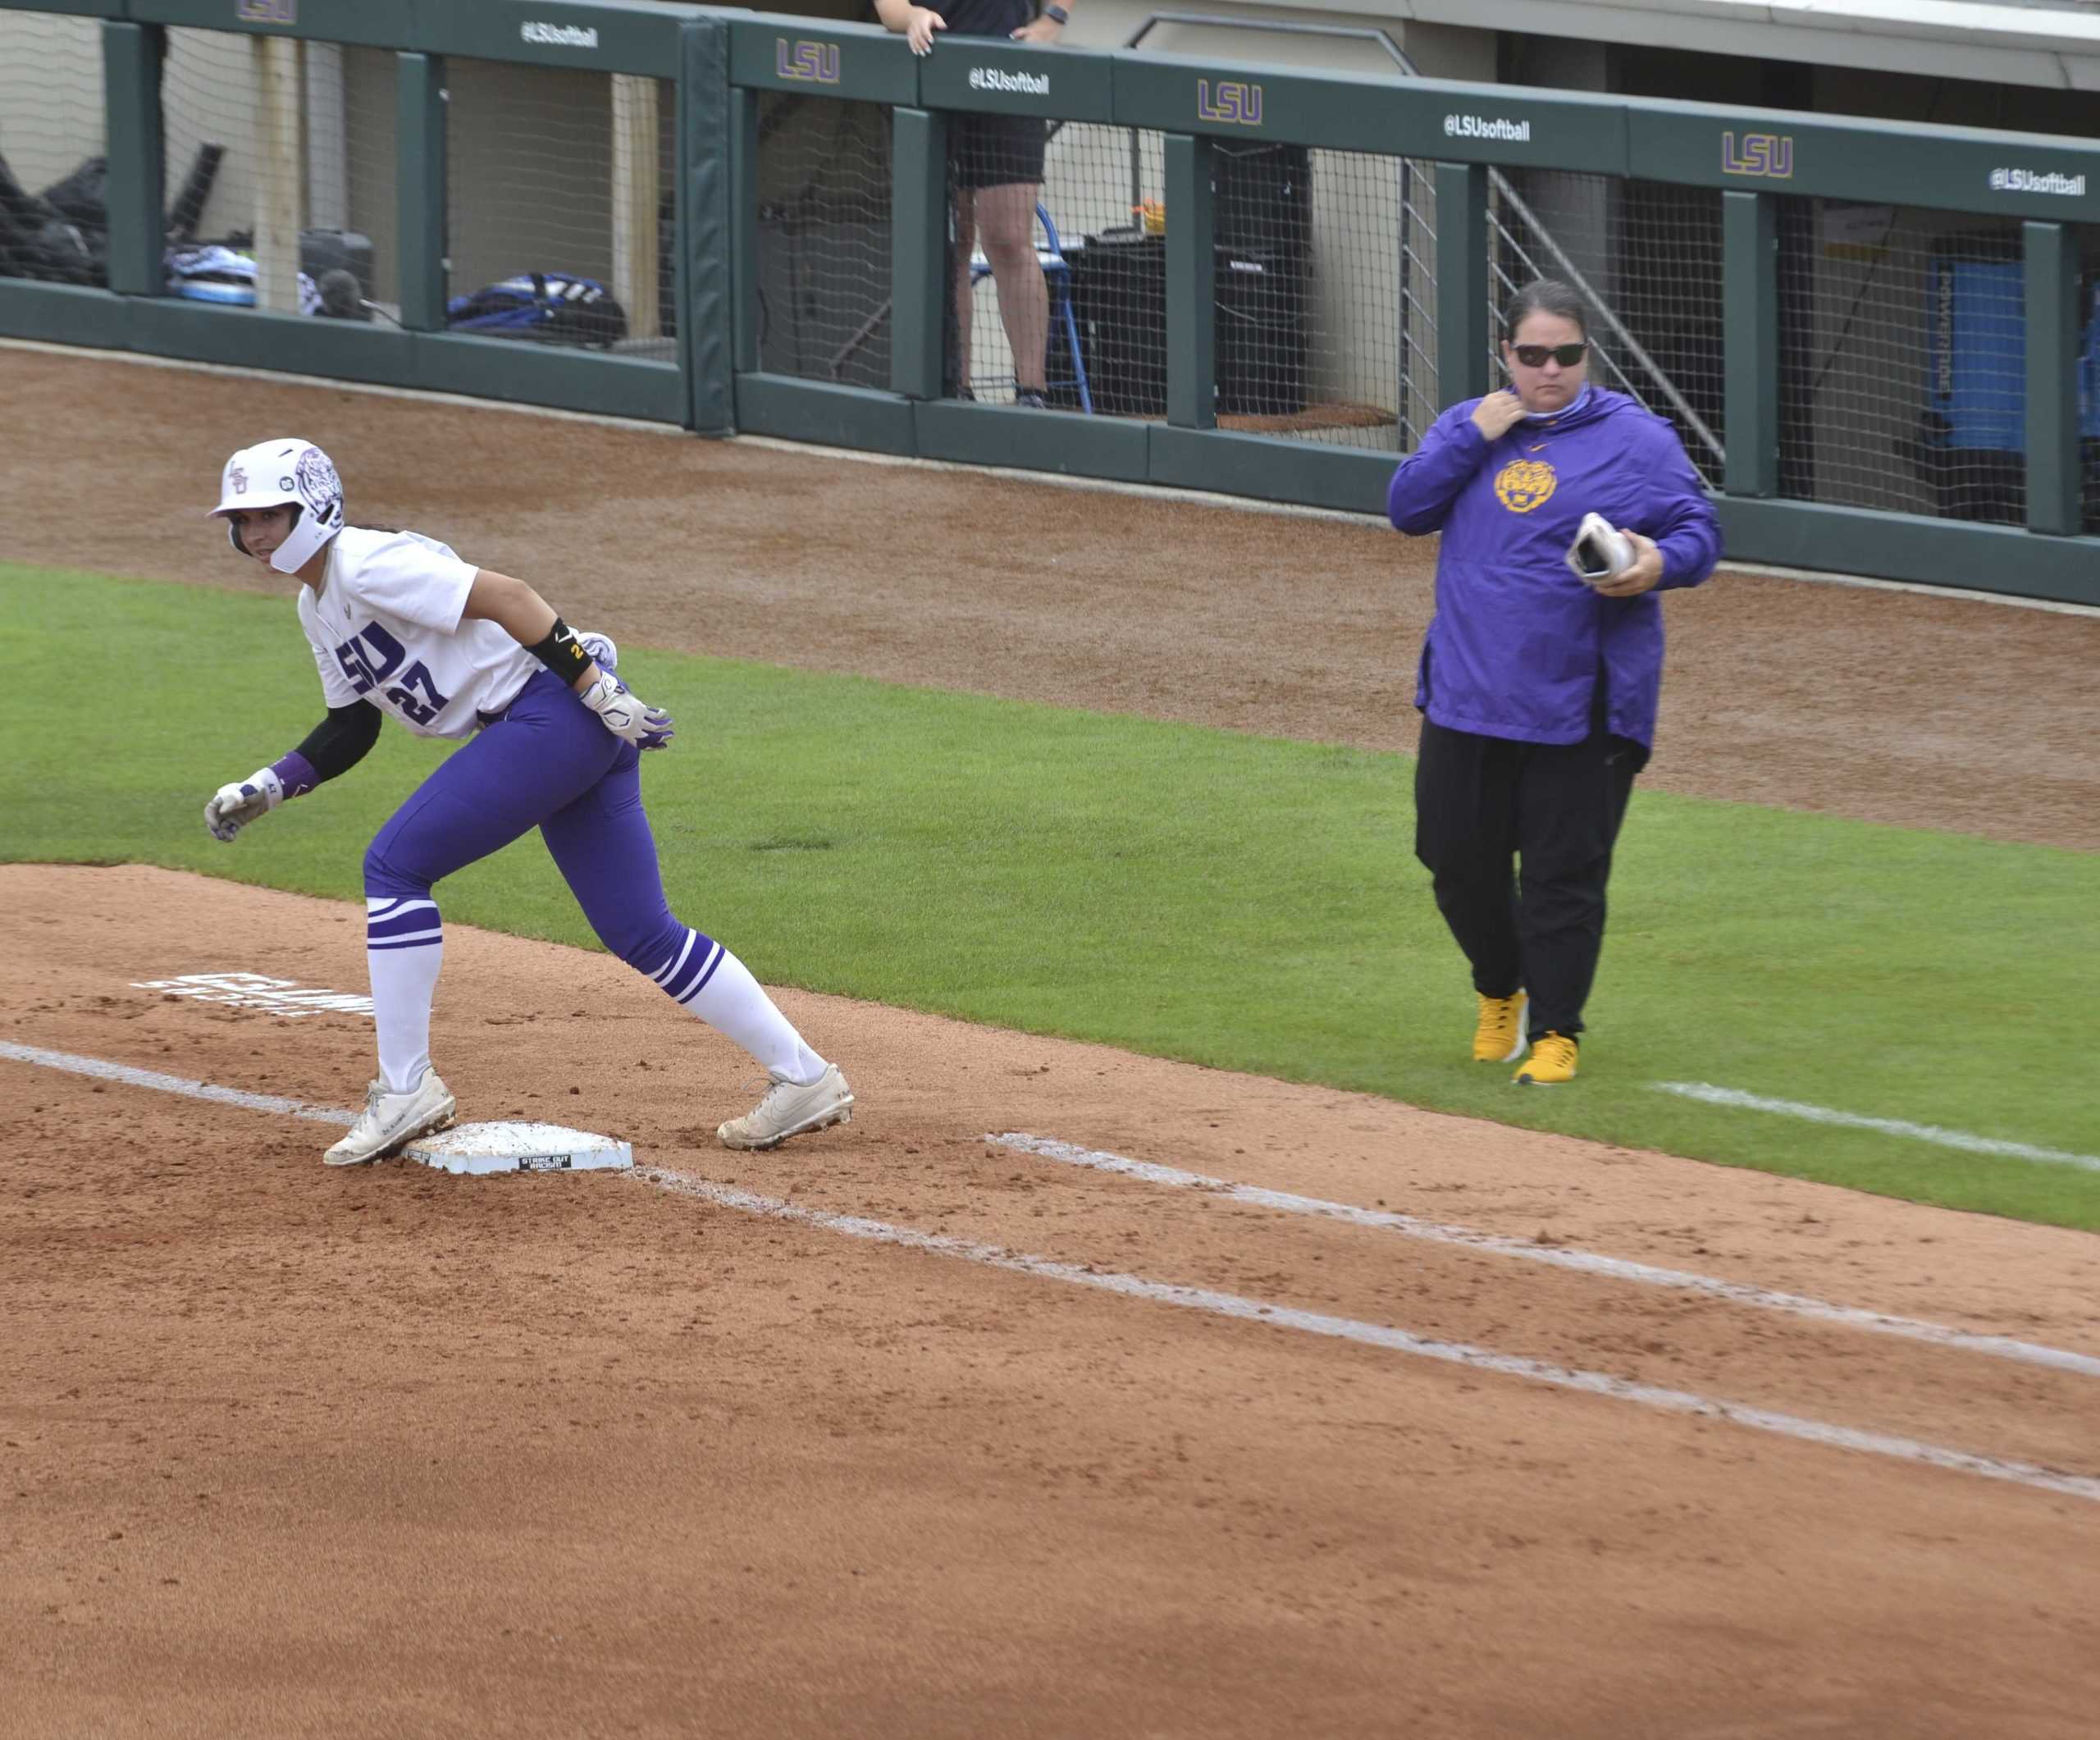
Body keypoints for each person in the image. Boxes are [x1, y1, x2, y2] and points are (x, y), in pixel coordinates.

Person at [202, 439, 854, 1164]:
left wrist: (595, 691)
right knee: (641, 930)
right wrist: (270, 784)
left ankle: (405, 1088)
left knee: (394, 865)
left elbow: (512, 597)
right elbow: (352, 726)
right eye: (243, 520)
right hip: (555, 724)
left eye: (270, 514)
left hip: (553, 712)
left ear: (313, 506)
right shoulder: (316, 602)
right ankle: (806, 1077)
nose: (255, 534)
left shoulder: (366, 560)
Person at [1386, 280, 1719, 1086]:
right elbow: (1407, 507)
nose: (1548, 371)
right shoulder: (1468, 426)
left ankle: (1556, 1032)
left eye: (1564, 355)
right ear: (1506, 356)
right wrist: (1472, 435)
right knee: (1454, 862)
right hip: (1469, 691)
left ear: (1585, 356)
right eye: (1531, 355)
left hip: (1582, 701)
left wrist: (1654, 565)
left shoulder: (1635, 440)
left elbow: (1698, 531)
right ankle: (1500, 989)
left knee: (1560, 877)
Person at [874, 0, 1069, 408]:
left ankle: (1032, 394)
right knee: (951, 243)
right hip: (932, 73)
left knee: (1009, 237)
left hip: (1011, 77)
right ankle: (956, 392)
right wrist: (912, 16)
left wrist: (1053, 19)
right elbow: (890, 9)